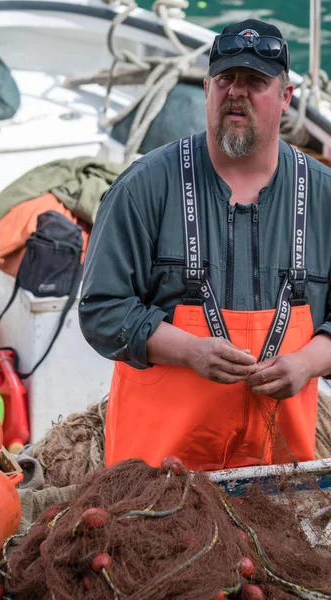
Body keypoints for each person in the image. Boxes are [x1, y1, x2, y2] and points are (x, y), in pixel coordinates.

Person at [79, 19, 331, 471]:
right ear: (208, 89)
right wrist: (190, 350)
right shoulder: (143, 188)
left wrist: (308, 363)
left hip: (280, 479)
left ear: (286, 97)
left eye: (255, 81)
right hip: (155, 479)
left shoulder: (325, 197)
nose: (237, 91)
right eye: (225, 79)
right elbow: (101, 309)